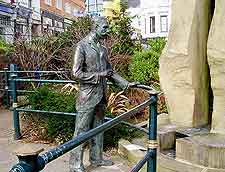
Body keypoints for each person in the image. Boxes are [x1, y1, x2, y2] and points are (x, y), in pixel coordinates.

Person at [70, 17, 137, 172]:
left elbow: (110, 72)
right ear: (95, 27)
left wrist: (125, 83)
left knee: (99, 128)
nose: (108, 31)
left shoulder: (103, 49)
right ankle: (74, 164)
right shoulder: (82, 46)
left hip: (101, 95)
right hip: (87, 96)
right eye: (105, 28)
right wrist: (99, 75)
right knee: (81, 130)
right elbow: (76, 73)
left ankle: (96, 158)